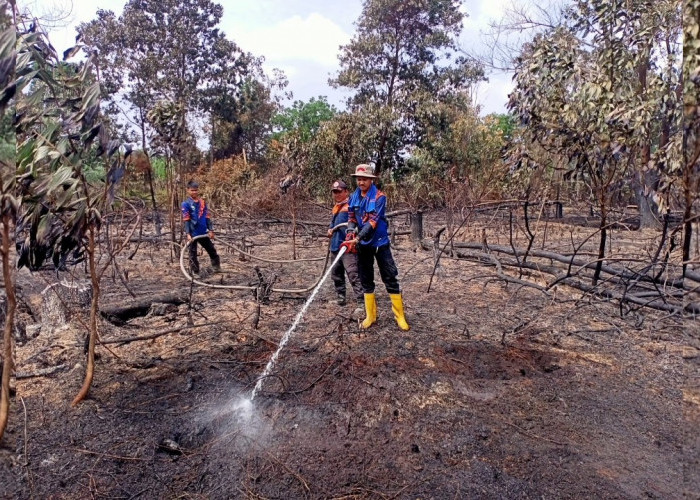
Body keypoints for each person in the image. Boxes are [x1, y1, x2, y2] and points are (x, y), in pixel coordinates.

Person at [341, 164, 409, 330]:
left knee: (390, 276)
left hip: (380, 243)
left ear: (371, 180)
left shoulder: (379, 197)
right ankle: (370, 316)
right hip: (363, 245)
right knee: (365, 278)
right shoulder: (353, 197)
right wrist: (350, 231)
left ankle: (400, 316)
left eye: (364, 179)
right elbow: (351, 217)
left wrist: (358, 237)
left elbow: (373, 221)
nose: (361, 182)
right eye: (359, 179)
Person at [327, 179, 364, 306]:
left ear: (346, 191)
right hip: (335, 246)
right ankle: (341, 296)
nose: (336, 194)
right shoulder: (336, 208)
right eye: (334, 192)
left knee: (353, 273)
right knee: (336, 273)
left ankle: (361, 300)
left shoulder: (352, 207)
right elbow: (333, 223)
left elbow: (358, 224)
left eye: (339, 192)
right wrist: (330, 229)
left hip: (348, 247)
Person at [181, 180, 221, 275]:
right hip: (193, 233)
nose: (194, 192)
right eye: (192, 190)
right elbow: (186, 219)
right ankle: (195, 272)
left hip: (203, 232)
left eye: (196, 190)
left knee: (211, 250)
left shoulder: (203, 203)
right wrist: (188, 233)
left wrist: (210, 230)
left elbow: (207, 217)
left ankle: (216, 267)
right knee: (192, 254)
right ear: (188, 190)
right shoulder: (185, 204)